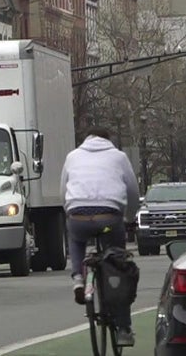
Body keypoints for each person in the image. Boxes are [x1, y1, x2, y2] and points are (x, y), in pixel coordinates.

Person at [61, 126, 141, 347]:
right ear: (109, 140)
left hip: (78, 217)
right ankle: (124, 328)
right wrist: (130, 216)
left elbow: (63, 190)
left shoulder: (73, 156)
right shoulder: (119, 157)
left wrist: (70, 211)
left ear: (87, 138)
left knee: (76, 239)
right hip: (109, 219)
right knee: (118, 265)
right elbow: (132, 191)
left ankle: (78, 278)